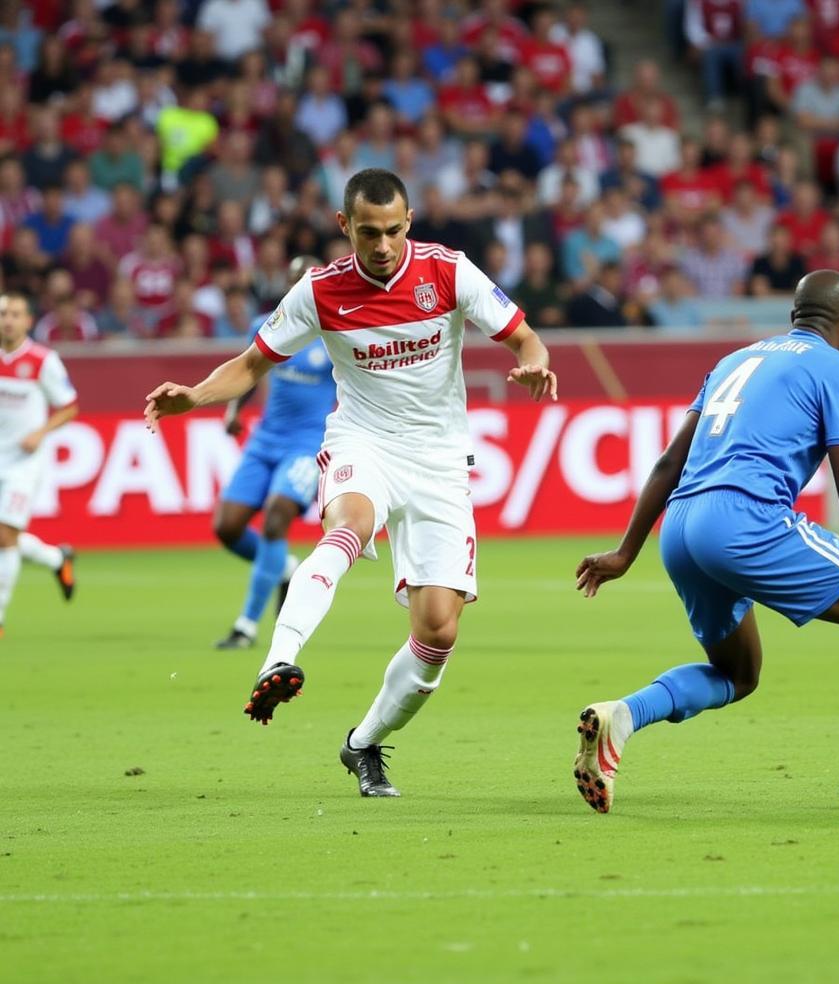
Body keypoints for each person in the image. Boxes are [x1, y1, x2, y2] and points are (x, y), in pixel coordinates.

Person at [145, 169, 557, 797]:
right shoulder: (320, 290)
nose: (383, 245)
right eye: (369, 232)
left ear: (409, 222)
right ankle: (278, 657)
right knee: (349, 526)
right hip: (362, 441)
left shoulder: (450, 272)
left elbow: (526, 338)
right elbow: (254, 362)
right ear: (346, 227)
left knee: (439, 630)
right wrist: (196, 396)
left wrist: (532, 364)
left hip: (440, 460)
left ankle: (362, 745)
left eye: (394, 230)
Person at [572, 270, 839, 814]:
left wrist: (624, 552)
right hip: (745, 521)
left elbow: (668, 462)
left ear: (794, 316)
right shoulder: (837, 368)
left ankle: (625, 716)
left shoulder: (733, 361)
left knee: (738, 674)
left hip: (680, 530)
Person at [210, 256, 337, 650]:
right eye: (296, 279)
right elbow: (251, 371)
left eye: (309, 279)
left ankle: (246, 626)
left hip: (307, 446)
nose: (303, 286)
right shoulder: (268, 325)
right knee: (227, 528)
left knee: (275, 518)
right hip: (265, 440)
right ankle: (282, 565)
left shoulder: (338, 333)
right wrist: (234, 410)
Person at [0, 292, 78, 638]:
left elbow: (69, 406)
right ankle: (56, 559)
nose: (8, 320)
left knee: (4, 536)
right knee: (7, 536)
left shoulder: (43, 360)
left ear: (28, 321)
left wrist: (40, 432)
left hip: (24, 463)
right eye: (3, 313)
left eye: (15, 313)